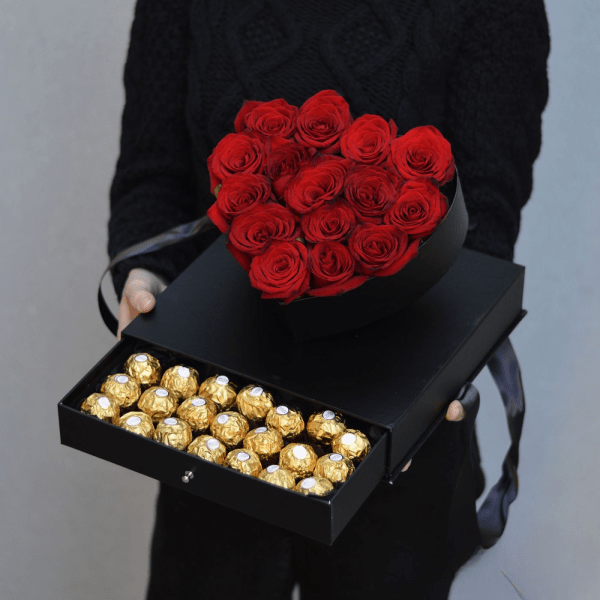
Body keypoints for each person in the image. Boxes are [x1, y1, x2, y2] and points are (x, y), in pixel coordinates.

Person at [108, 1, 550, 597]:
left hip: (394, 433)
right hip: (215, 420)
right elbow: (152, 174)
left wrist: (439, 366)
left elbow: (485, 216)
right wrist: (145, 275)